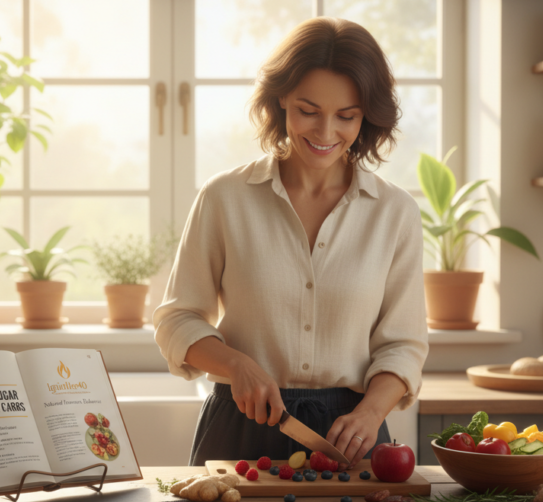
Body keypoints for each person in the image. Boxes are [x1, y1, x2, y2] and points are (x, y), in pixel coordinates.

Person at [153, 17, 428, 470]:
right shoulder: (224, 198)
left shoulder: (394, 212)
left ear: (367, 116)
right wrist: (235, 364)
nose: (325, 133)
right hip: (240, 425)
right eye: (308, 110)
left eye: (347, 116)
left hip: (352, 435)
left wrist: (370, 412)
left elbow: (404, 344)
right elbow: (176, 319)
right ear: (281, 98)